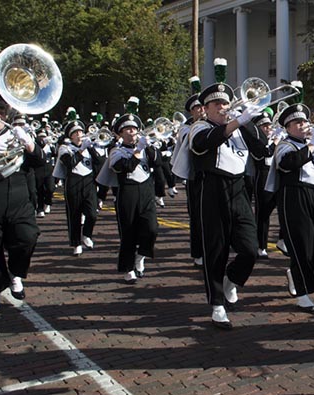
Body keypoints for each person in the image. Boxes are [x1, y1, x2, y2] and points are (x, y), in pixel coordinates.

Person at [188, 59, 263, 330]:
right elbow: (203, 144)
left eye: (225, 103)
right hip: (212, 190)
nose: (223, 107)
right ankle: (217, 303)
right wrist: (236, 123)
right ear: (205, 109)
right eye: (216, 104)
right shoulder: (200, 127)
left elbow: (262, 151)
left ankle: (233, 279)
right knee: (215, 250)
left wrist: (250, 121)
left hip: (239, 190)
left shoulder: (238, 126)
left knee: (250, 249)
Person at [0, 92, 43, 315]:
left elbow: (38, 162)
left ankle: (16, 273)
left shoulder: (16, 133)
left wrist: (29, 144)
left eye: (0, 111)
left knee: (28, 236)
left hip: (18, 195)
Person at [265, 104, 314, 312]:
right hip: (295, 195)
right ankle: (302, 293)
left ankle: (297, 274)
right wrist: (312, 145)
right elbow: (287, 164)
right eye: (297, 123)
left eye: (304, 121)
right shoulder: (286, 145)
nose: (303, 126)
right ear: (287, 128)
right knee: (302, 245)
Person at [109, 101, 160, 284]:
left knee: (152, 228)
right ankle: (128, 268)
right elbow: (124, 167)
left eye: (134, 129)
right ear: (121, 133)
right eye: (128, 129)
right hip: (128, 192)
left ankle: (141, 256)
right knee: (128, 232)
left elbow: (158, 163)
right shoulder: (117, 151)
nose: (132, 132)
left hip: (146, 190)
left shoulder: (145, 147)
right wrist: (138, 150)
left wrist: (149, 147)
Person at [54, 119, 101, 256]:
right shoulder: (65, 148)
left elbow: (99, 161)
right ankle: (76, 243)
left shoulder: (89, 148)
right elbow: (70, 163)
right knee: (74, 215)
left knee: (92, 213)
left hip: (88, 182)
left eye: (81, 131)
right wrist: (81, 149)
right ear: (71, 136)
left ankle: (87, 234)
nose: (80, 134)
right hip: (73, 182)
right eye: (76, 133)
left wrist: (90, 148)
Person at [172, 76, 205, 268]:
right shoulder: (185, 128)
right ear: (191, 111)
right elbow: (192, 141)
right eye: (197, 108)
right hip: (195, 176)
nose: (201, 110)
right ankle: (198, 252)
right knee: (197, 215)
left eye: (203, 107)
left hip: (212, 176)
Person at [245, 109, 278, 259]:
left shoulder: (276, 139)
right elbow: (261, 155)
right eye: (264, 126)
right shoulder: (255, 141)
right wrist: (274, 144)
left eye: (269, 125)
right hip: (262, 177)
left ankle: (284, 240)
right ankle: (261, 245)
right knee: (263, 214)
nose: (268, 128)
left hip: (277, 177)